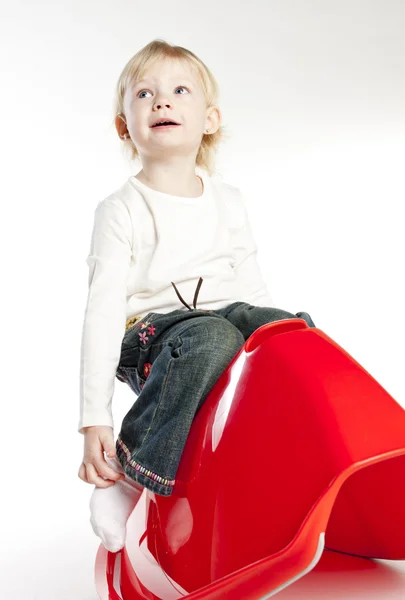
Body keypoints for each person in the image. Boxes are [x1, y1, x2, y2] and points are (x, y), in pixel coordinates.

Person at [77, 39, 316, 553]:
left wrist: (271, 336)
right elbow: (101, 314)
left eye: (178, 90)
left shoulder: (228, 200)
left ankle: (309, 470)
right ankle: (131, 475)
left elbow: (251, 288)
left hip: (222, 323)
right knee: (211, 335)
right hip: (149, 338)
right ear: (125, 126)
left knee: (289, 330)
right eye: (144, 93)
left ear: (209, 118)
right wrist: (94, 415)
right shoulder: (120, 210)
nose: (162, 101)